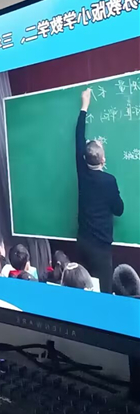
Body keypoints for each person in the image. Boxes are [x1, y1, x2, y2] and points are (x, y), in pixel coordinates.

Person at [76, 89, 124, 293]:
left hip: (83, 243)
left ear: (85, 158)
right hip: (101, 250)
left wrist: (84, 106)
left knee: (84, 290)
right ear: (103, 160)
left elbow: (78, 138)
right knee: (103, 293)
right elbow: (119, 210)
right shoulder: (109, 181)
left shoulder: (82, 172)